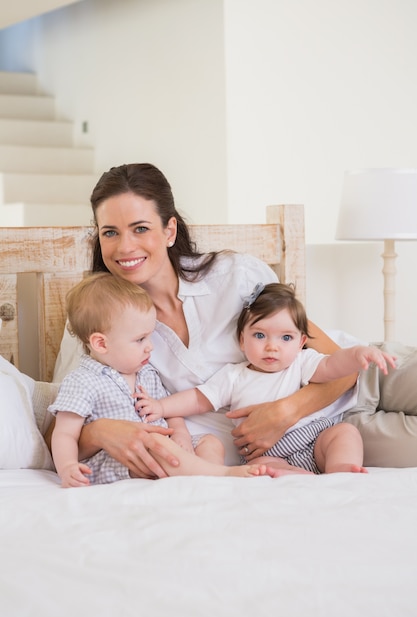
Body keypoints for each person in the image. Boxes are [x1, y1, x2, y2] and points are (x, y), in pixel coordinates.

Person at [51, 162, 417, 476]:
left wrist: (283, 412)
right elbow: (63, 420)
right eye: (109, 233)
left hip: (363, 373)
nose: (125, 246)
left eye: (140, 228)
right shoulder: (94, 322)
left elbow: (340, 361)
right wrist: (100, 431)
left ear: (169, 231)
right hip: (323, 438)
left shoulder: (234, 275)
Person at [137, 283, 396, 475]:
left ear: (301, 342)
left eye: (285, 338)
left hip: (314, 439)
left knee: (344, 433)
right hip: (267, 453)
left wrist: (357, 354)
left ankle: (340, 472)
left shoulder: (301, 363)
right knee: (262, 470)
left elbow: (332, 365)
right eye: (260, 336)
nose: (272, 347)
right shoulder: (234, 375)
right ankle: (299, 479)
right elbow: (198, 399)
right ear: (242, 340)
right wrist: (161, 406)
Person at [49, 272, 274, 487]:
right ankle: (222, 474)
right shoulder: (82, 381)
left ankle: (208, 479)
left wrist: (181, 435)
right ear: (101, 343)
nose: (150, 346)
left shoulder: (146, 374)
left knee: (209, 442)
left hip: (164, 447)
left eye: (149, 336)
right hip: (121, 460)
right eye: (140, 339)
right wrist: (68, 466)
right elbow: (65, 433)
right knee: (157, 447)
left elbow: (169, 412)